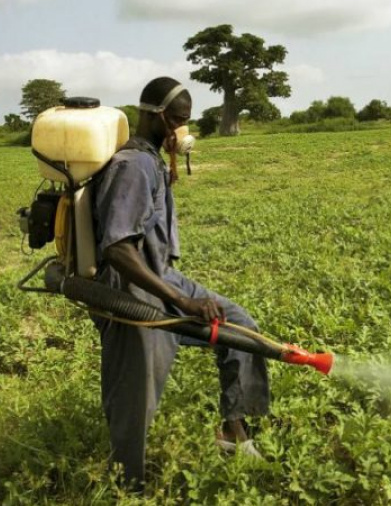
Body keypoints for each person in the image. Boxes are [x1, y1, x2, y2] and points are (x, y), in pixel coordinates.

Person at [90, 76, 270, 492]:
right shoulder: (132, 166)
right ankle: (127, 486)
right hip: (129, 290)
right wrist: (181, 302)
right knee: (136, 396)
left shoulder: (152, 159)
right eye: (176, 120)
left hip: (162, 278)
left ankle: (233, 433)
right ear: (153, 115)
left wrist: (177, 293)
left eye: (185, 121)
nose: (181, 129)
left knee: (239, 327)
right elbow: (117, 248)